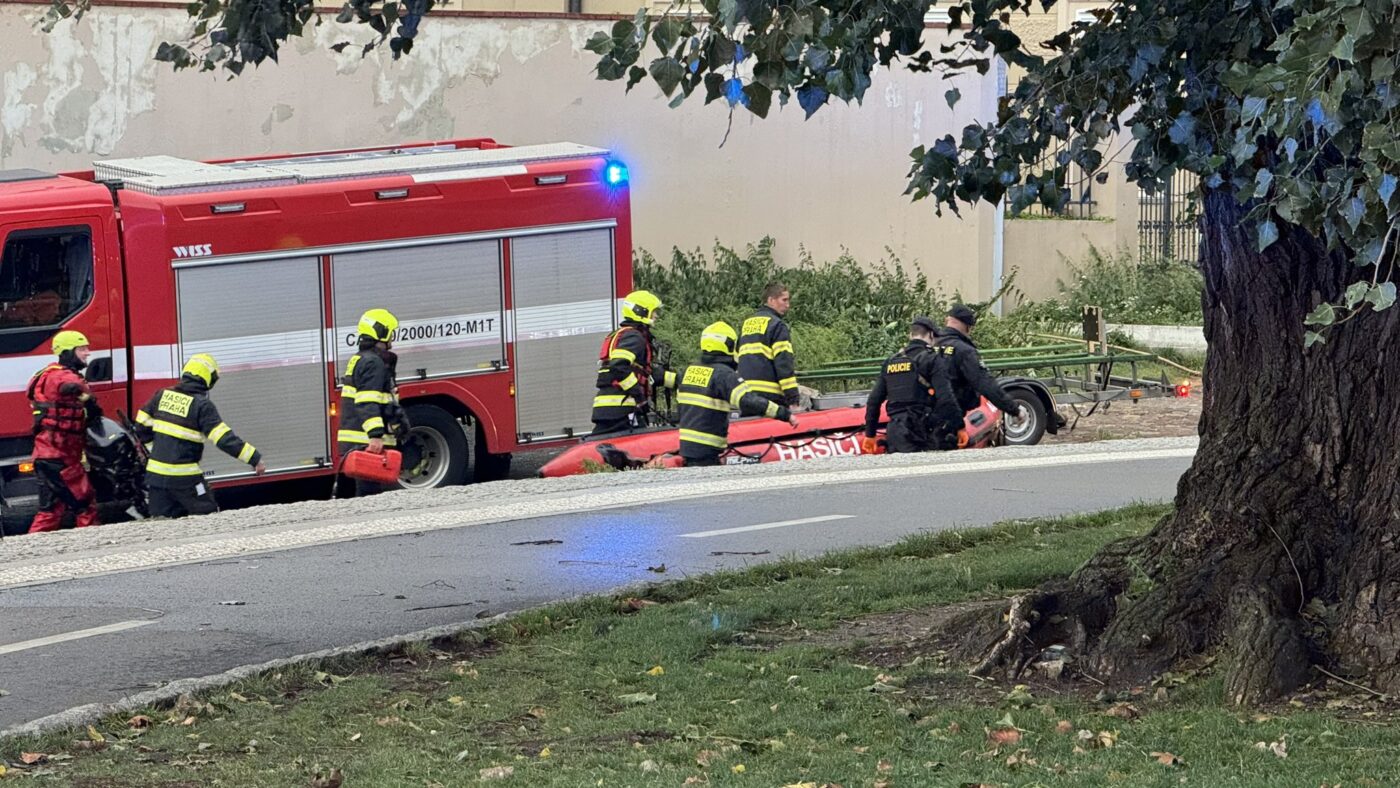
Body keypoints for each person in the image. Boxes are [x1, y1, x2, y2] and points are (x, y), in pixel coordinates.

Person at [133, 353, 265, 518]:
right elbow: (224, 439)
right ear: (208, 379)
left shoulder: (162, 395)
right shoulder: (202, 406)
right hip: (185, 479)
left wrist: (155, 451)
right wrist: (254, 458)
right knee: (208, 516)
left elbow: (141, 424)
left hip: (156, 478)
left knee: (162, 525)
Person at [678, 322, 798, 466]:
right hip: (707, 448)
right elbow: (748, 401)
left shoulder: (689, 370)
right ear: (729, 346)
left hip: (687, 447)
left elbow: (671, 379)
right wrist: (784, 414)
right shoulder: (724, 375)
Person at [27, 330, 102, 533]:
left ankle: (30, 549)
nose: (87, 353)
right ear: (68, 352)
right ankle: (92, 547)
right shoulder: (62, 377)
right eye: (82, 349)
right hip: (61, 458)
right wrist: (86, 397)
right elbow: (72, 386)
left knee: (50, 510)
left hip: (45, 456)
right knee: (85, 505)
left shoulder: (44, 374)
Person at [862, 317, 963, 454]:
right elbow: (946, 397)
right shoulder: (932, 359)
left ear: (911, 335)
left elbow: (874, 401)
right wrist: (960, 427)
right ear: (931, 335)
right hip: (922, 432)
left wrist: (870, 434)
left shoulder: (891, 362)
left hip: (895, 433)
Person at [337, 308, 407, 496]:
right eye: (391, 333)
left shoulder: (362, 359)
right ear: (381, 332)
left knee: (365, 497)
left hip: (359, 441)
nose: (392, 339)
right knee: (372, 499)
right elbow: (367, 401)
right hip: (367, 443)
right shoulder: (373, 362)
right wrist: (375, 435)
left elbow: (381, 400)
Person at [592, 290, 674, 435]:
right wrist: (638, 394)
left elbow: (642, 371)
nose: (655, 316)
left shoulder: (622, 334)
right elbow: (619, 365)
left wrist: (677, 380)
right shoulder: (634, 337)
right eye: (653, 312)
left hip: (610, 407)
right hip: (622, 407)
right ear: (641, 311)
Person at [937, 304, 1028, 424]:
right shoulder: (964, 351)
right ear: (968, 327)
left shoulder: (927, 346)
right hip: (949, 419)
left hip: (921, 420)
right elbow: (985, 384)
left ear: (947, 321)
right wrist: (1014, 409)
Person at [737, 282, 799, 409]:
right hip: (770, 396)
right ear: (771, 300)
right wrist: (793, 398)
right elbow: (784, 363)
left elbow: (738, 357)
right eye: (784, 300)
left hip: (745, 394)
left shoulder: (747, 324)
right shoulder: (777, 325)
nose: (788, 305)